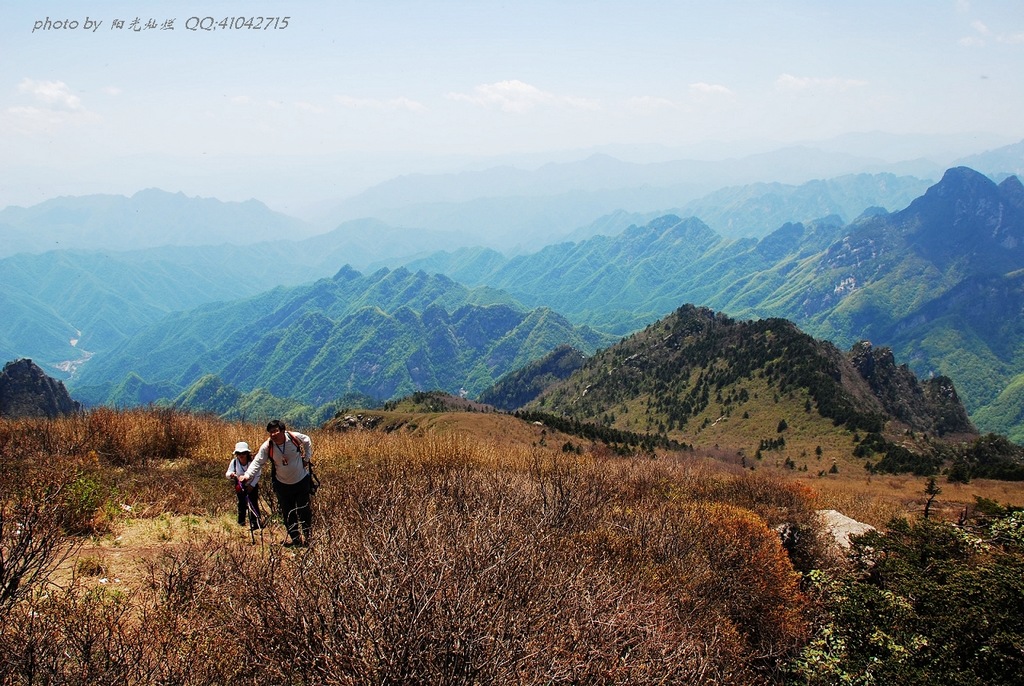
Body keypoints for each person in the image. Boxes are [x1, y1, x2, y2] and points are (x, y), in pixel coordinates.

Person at [240, 420, 313, 547]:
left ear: (283, 431)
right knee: (288, 514)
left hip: (301, 482)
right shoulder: (268, 446)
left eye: (276, 431)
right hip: (282, 486)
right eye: (271, 432)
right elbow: (257, 462)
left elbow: (307, 440)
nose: (273, 434)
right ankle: (296, 541)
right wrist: (247, 475)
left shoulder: (293, 438)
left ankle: (308, 538)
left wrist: (306, 458)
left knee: (304, 511)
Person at [226, 441, 262, 531]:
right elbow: (228, 473)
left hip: (252, 485)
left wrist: (252, 485)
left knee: (253, 503)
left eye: (243, 453)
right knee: (241, 504)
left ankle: (256, 523)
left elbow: (258, 474)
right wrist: (231, 475)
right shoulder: (234, 462)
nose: (241, 455)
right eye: (238, 453)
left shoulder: (252, 462)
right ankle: (241, 523)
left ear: (247, 453)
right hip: (240, 486)